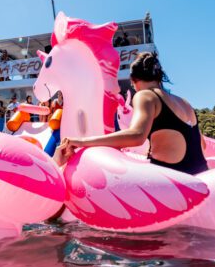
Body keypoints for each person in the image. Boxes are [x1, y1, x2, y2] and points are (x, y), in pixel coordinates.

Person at [61, 52, 207, 175]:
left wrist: (82, 142)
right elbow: (203, 145)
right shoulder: (184, 102)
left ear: (133, 81)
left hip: (176, 181)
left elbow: (136, 136)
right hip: (201, 174)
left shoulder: (145, 96)